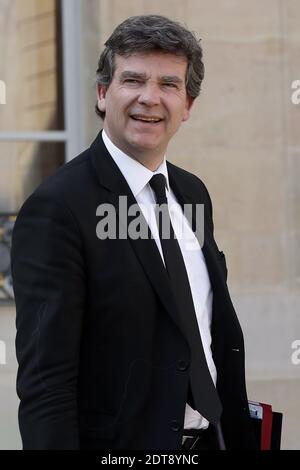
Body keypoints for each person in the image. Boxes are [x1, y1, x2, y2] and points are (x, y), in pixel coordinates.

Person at [11, 15, 258, 450]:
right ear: (103, 94)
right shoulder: (58, 207)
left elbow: (201, 326)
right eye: (133, 80)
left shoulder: (192, 192)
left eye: (168, 84)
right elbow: (46, 384)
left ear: (189, 104)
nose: (150, 98)